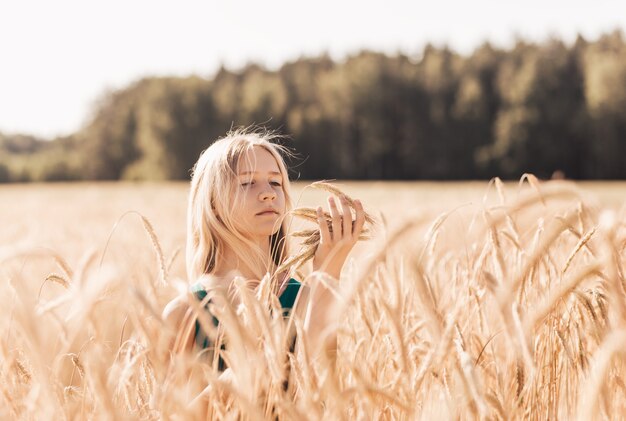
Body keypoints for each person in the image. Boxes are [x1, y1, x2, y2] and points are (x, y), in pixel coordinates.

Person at [162, 128, 367, 369]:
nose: (269, 194)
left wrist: (327, 272)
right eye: (248, 183)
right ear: (213, 203)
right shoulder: (184, 314)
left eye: (275, 182)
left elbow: (322, 389)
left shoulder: (303, 299)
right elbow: (173, 406)